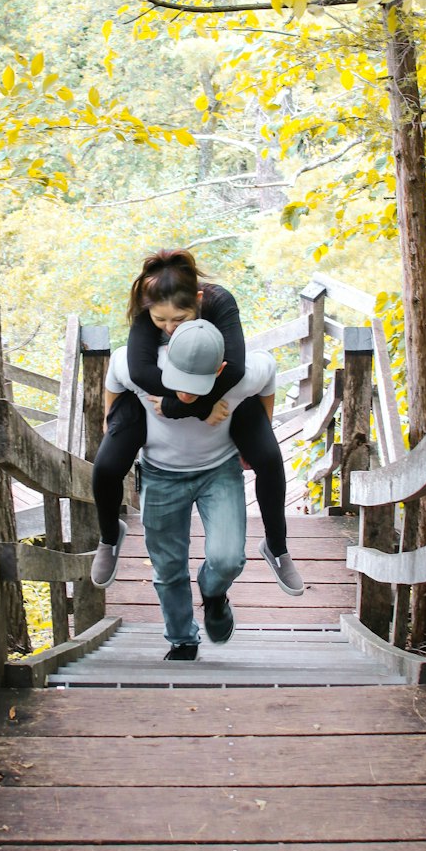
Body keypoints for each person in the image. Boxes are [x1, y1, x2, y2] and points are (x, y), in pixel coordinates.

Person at [90, 249, 304, 596]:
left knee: (268, 458)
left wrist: (255, 431)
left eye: (179, 319)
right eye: (161, 321)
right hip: (160, 388)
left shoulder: (219, 303)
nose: (170, 328)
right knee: (106, 465)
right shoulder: (152, 311)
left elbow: (236, 368)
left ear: (199, 301)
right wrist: (116, 420)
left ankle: (277, 547)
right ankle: (109, 538)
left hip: (217, 379)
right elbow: (138, 372)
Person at [102, 318, 276, 659]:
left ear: (221, 369)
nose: (187, 392)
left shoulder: (239, 375)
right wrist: (113, 427)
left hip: (220, 470)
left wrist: (259, 437)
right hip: (160, 473)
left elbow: (268, 371)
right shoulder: (139, 366)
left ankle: (213, 594)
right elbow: (114, 373)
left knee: (228, 559)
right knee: (167, 567)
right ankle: (182, 639)